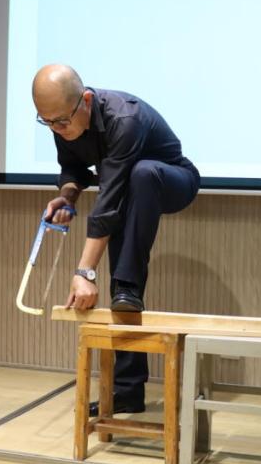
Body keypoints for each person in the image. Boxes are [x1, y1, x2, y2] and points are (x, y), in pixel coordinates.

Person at [33, 64, 200, 415]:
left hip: (174, 180)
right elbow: (73, 170)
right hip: (130, 193)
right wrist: (67, 198)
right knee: (123, 285)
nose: (57, 129)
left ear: (86, 100)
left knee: (141, 175)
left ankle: (127, 288)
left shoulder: (124, 119)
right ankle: (127, 392)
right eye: (47, 122)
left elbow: (108, 200)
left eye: (61, 121)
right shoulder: (61, 117)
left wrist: (84, 272)